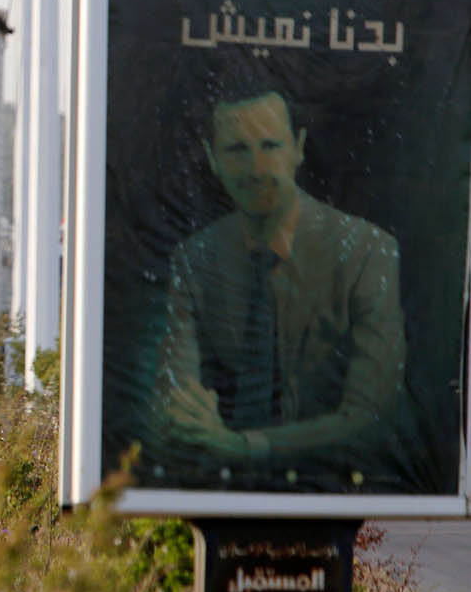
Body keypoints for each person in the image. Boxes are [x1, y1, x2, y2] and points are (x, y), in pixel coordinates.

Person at [153, 88, 405, 474]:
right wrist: (194, 422)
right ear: (212, 158)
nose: (256, 169)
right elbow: (178, 403)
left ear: (298, 148)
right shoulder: (195, 260)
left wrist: (247, 447)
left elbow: (371, 414)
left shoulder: (366, 254)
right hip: (223, 486)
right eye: (237, 150)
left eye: (270, 145)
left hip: (332, 483)